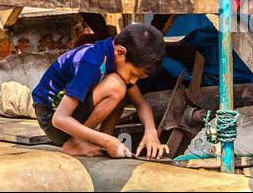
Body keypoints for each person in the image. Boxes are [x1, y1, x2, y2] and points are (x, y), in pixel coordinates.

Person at [31, 22, 169, 158]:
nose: (133, 81)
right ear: (120, 52)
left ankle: (99, 142)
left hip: (71, 119)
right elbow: (59, 119)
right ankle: (77, 142)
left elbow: (141, 104)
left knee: (122, 90)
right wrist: (107, 141)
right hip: (53, 120)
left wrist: (151, 132)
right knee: (117, 86)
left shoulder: (115, 58)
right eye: (133, 74)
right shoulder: (90, 62)